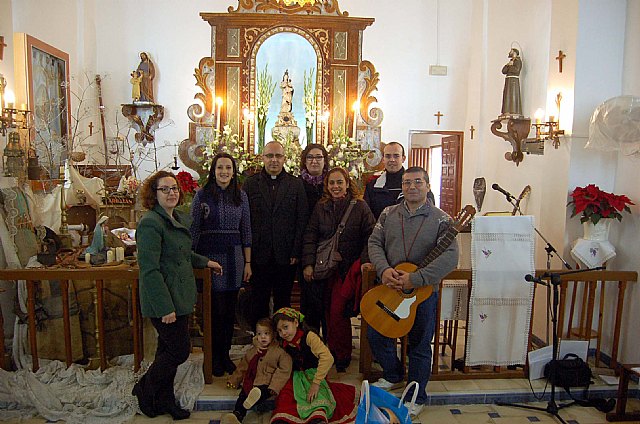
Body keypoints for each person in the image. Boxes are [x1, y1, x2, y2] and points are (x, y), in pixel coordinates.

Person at [366, 166, 458, 417]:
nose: (412, 186)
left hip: (423, 293)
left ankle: (416, 394)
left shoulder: (442, 219)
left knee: (418, 345)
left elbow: (450, 258)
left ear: (428, 186)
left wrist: (415, 279)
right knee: (377, 333)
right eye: (407, 183)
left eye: (418, 182)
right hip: (390, 286)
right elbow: (374, 243)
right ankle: (393, 374)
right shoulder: (387, 214)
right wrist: (384, 270)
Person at [133, 170, 223, 420]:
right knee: (180, 350)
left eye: (174, 188)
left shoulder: (173, 218)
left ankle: (164, 400)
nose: (171, 193)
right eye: (165, 189)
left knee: (166, 351)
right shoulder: (151, 223)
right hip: (165, 300)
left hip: (179, 297)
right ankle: (144, 388)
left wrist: (206, 262)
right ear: (154, 194)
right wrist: (164, 307)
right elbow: (149, 270)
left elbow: (180, 255)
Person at [302, 167, 375, 371]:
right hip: (326, 269)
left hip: (348, 269)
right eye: (331, 183)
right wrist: (308, 264)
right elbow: (310, 235)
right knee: (325, 311)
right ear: (326, 185)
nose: (336, 187)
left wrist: (364, 262)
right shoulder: (321, 207)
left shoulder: (360, 207)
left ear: (347, 183)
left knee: (338, 312)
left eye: (339, 182)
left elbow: (372, 236)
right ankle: (329, 350)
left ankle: (341, 354)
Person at [190, 153, 252, 377]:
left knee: (229, 312)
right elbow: (194, 229)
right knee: (214, 311)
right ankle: (213, 357)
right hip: (210, 257)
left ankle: (225, 356)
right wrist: (193, 259)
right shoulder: (202, 195)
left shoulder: (241, 196)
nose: (224, 172)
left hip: (235, 258)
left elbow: (246, 230)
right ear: (213, 171)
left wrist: (248, 262)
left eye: (228, 168)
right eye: (220, 168)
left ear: (233, 172)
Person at [243, 141, 308, 328]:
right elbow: (246, 221)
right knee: (258, 301)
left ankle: (282, 342)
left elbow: (301, 219)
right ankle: (261, 343)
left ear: (284, 158)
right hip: (258, 254)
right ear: (262, 158)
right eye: (269, 156)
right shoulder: (250, 184)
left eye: (278, 156)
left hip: (286, 255)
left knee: (283, 302)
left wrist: (296, 251)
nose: (274, 160)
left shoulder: (295, 184)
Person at [270, 307, 357, 424]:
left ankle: (317, 418)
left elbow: (328, 358)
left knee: (317, 397)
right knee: (286, 397)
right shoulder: (282, 342)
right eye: (279, 331)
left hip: (314, 375)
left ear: (296, 323)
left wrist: (316, 383)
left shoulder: (309, 337)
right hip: (295, 377)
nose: (283, 333)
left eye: (286, 327)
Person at [222, 318, 293, 424]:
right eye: (259, 334)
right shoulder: (252, 351)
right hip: (252, 381)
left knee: (263, 392)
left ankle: (255, 397)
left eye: (266, 333)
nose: (263, 337)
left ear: (273, 334)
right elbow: (243, 367)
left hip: (267, 383)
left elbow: (284, 370)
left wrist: (275, 386)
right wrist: (234, 380)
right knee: (243, 395)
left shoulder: (279, 352)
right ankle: (237, 415)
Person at [298, 143, 329, 335]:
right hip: (305, 248)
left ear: (325, 161)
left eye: (319, 157)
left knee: (327, 301)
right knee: (308, 299)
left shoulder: (333, 183)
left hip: (329, 249)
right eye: (310, 157)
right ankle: (309, 343)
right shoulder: (296, 185)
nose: (314, 161)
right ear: (304, 161)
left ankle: (329, 343)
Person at [363, 142, 407, 219]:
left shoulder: (416, 185)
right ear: (383, 159)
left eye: (396, 156)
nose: (392, 160)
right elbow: (367, 217)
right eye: (388, 156)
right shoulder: (372, 187)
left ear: (403, 159)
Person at [500, 48, 522, 117]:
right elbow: (503, 71)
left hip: (513, 81)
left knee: (512, 95)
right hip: (508, 81)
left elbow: (516, 70)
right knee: (507, 95)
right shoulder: (511, 61)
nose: (509, 53)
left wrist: (511, 66)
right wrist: (508, 65)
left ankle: (513, 111)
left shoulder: (518, 61)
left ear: (515, 53)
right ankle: (506, 111)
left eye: (511, 52)